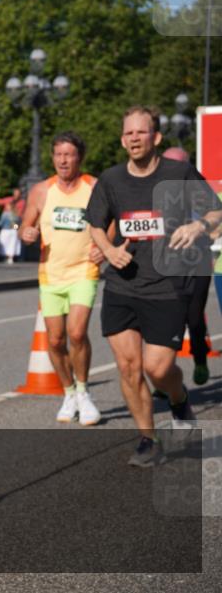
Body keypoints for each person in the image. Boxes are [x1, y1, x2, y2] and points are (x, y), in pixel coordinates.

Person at [84, 106, 222, 467]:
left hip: (168, 285)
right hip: (122, 285)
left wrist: (199, 227)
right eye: (128, 133)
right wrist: (110, 250)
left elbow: (216, 211)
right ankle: (148, 439)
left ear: (156, 137)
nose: (133, 138)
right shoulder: (111, 180)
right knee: (129, 368)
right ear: (122, 139)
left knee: (158, 369)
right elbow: (95, 222)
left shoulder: (179, 173)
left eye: (140, 132)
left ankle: (178, 400)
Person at [19, 132, 104, 425]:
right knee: (55, 340)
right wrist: (26, 233)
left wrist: (104, 247)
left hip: (84, 270)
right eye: (58, 155)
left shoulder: (93, 187)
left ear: (79, 157)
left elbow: (112, 220)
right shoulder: (41, 191)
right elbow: (25, 225)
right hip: (51, 273)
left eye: (69, 155)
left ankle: (83, 392)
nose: (63, 160)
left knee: (77, 333)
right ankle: (68, 392)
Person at [161, 146, 212, 386]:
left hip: (197, 262)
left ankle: (200, 358)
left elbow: (217, 215)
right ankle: (164, 376)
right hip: (167, 263)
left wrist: (204, 231)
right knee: (167, 321)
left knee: (194, 318)